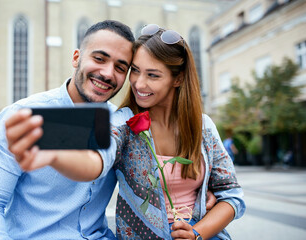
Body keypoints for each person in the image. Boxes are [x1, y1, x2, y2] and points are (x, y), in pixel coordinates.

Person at [16, 24, 245, 240]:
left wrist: (195, 233)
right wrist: (53, 146)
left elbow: (231, 196)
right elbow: (94, 161)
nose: (138, 83)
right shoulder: (124, 122)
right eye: (135, 71)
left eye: (152, 75)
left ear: (178, 78)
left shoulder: (203, 126)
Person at [0, 20, 135, 239]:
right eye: (99, 58)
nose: (107, 73)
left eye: (120, 68)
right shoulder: (22, 115)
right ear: (76, 58)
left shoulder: (121, 122)